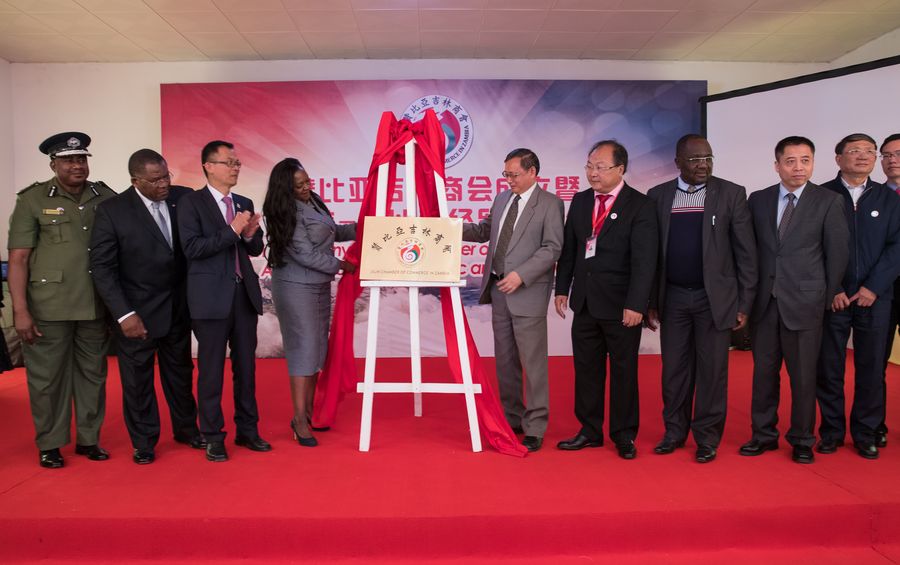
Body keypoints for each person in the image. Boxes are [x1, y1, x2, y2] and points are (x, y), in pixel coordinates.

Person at [7, 131, 116, 468]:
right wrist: (20, 311)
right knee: (47, 379)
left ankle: (88, 438)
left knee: (92, 375)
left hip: (94, 303)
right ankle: (51, 443)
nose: (77, 165)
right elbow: (19, 259)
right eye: (68, 160)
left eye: (81, 159)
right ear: (53, 164)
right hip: (49, 306)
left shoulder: (105, 197)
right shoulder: (32, 200)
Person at [646, 134, 757, 463]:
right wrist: (651, 300)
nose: (703, 165)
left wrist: (744, 304)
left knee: (712, 371)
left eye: (708, 158)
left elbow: (746, 254)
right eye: (695, 159)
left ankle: (707, 438)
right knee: (674, 370)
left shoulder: (731, 193)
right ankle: (674, 432)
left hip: (715, 300)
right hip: (674, 298)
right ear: (677, 162)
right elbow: (650, 256)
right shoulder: (658, 196)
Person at [90, 149, 204, 465]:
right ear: (135, 180)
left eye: (166, 176)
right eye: (155, 180)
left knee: (181, 374)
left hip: (178, 309)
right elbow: (102, 268)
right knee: (138, 381)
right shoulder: (112, 211)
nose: (163, 184)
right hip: (136, 315)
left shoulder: (184, 198)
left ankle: (187, 430)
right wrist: (124, 314)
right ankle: (144, 441)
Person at [741, 136, 849, 464]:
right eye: (790, 161)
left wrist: (826, 296)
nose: (798, 167)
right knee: (764, 374)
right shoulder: (758, 200)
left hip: (806, 303)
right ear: (777, 166)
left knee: (803, 377)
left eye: (805, 160)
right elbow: (750, 251)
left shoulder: (828, 201)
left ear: (813, 163)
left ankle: (802, 438)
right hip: (765, 303)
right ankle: (763, 434)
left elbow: (837, 254)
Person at [554, 140, 658, 460]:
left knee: (624, 372)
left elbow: (645, 261)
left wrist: (637, 304)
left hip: (621, 305)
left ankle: (624, 434)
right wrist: (562, 289)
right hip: (585, 301)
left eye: (600, 167)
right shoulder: (581, 200)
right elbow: (571, 249)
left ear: (620, 169)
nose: (593, 173)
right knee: (587, 370)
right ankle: (589, 430)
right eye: (589, 166)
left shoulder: (640, 205)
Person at [462, 148, 564, 452]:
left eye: (514, 175)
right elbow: (483, 230)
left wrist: (521, 275)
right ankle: (512, 417)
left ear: (532, 172)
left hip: (526, 290)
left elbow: (552, 248)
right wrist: (447, 228)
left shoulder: (550, 204)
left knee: (533, 363)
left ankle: (536, 425)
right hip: (499, 289)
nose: (509, 180)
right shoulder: (502, 199)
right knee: (505, 361)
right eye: (506, 174)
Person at [177, 140, 269, 462]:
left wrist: (249, 234)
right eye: (228, 163)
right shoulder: (191, 203)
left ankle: (248, 430)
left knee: (246, 369)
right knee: (211, 371)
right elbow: (193, 249)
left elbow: (254, 249)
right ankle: (213, 435)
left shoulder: (243, 202)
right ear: (208, 166)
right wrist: (232, 230)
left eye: (237, 163)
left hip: (243, 296)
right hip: (210, 299)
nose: (235, 168)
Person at [815, 134, 900, 460]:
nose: (863, 156)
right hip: (834, 298)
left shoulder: (889, 198)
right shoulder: (821, 196)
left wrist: (873, 287)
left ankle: (866, 432)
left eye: (869, 152)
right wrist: (833, 287)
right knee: (829, 367)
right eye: (854, 151)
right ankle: (831, 432)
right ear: (838, 158)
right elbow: (812, 246)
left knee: (871, 368)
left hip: (875, 298)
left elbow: (896, 247)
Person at [262, 158, 356, 448]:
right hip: (295, 287)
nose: (305, 188)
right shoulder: (284, 210)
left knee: (317, 350)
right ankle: (299, 419)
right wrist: (342, 265)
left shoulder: (313, 201)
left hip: (318, 285)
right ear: (285, 188)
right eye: (298, 185)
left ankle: (308, 412)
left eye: (307, 182)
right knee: (303, 349)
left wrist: (364, 226)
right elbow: (304, 254)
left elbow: (331, 231)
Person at [880, 133, 900, 448]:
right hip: (881, 290)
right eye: (887, 155)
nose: (892, 160)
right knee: (875, 363)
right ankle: (874, 425)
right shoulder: (873, 196)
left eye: (898, 154)